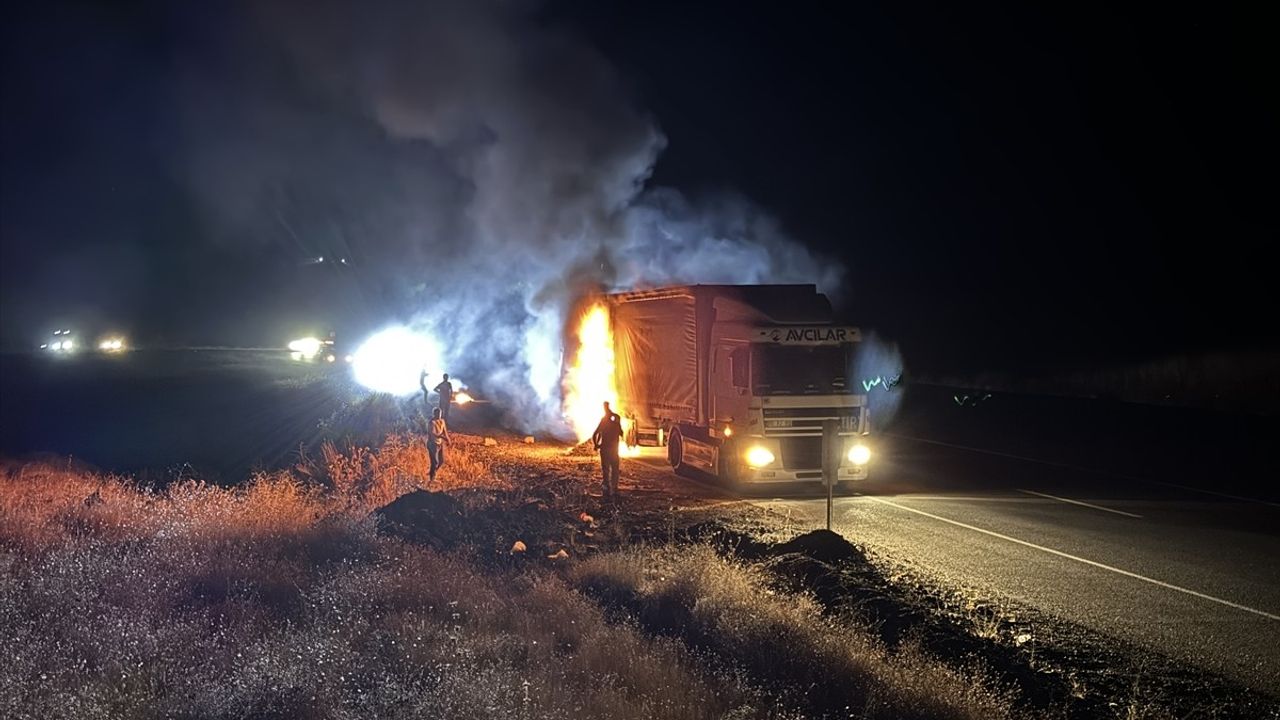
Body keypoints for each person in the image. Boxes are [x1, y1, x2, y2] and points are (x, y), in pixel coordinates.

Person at [591, 401, 624, 499]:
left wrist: (596, 445)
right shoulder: (616, 421)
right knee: (614, 469)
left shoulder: (604, 421)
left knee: (606, 469)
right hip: (614, 450)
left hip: (605, 449)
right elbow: (622, 433)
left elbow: (595, 434)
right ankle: (614, 488)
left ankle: (607, 488)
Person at [426, 406, 449, 483]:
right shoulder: (431, 422)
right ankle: (432, 479)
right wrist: (442, 437)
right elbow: (433, 433)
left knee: (441, 461)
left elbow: (444, 431)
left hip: (440, 443)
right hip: (432, 443)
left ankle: (432, 472)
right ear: (434, 414)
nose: (439, 415)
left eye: (440, 413)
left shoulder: (442, 421)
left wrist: (447, 439)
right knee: (434, 462)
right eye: (437, 413)